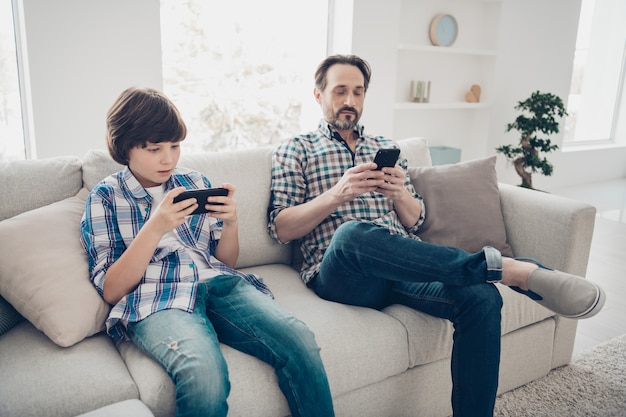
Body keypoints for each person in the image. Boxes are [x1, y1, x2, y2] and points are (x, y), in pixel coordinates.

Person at [267, 54, 606, 417]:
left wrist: (399, 194)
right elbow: (282, 228)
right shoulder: (295, 149)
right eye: (340, 91)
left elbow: (415, 222)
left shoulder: (384, 147)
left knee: (482, 297)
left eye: (358, 91)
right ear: (318, 95)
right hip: (342, 274)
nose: (350, 100)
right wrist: (338, 193)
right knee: (352, 235)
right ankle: (509, 268)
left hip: (402, 264)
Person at [80, 87, 335, 417]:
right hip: (157, 296)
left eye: (174, 146)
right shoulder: (105, 197)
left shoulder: (193, 180)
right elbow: (112, 289)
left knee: (299, 340)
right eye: (155, 149)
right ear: (125, 148)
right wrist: (155, 227)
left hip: (220, 283)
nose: (168, 158)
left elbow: (225, 262)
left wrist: (231, 222)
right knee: (204, 373)